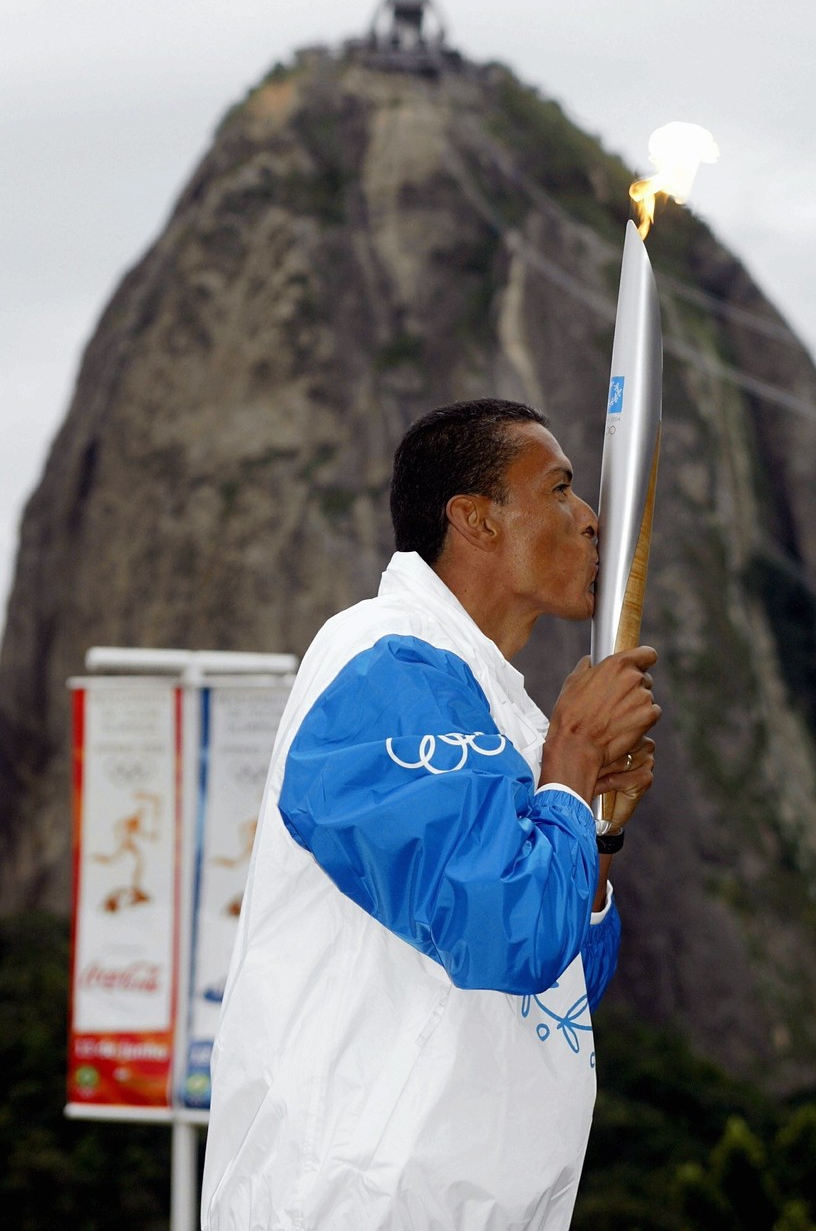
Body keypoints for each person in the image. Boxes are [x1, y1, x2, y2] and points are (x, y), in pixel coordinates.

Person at [201, 398, 661, 1231]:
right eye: (560, 490)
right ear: (475, 519)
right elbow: (504, 930)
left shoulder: (500, 706)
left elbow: (563, 982)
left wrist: (596, 827)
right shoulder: (384, 661)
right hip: (355, 1202)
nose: (592, 519)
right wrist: (571, 758)